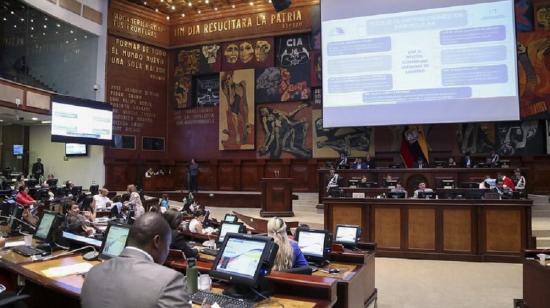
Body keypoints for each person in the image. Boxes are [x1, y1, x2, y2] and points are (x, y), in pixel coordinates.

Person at [81, 213, 191, 308]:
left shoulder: (93, 272)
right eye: (167, 245)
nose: (167, 252)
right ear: (157, 241)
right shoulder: (170, 281)